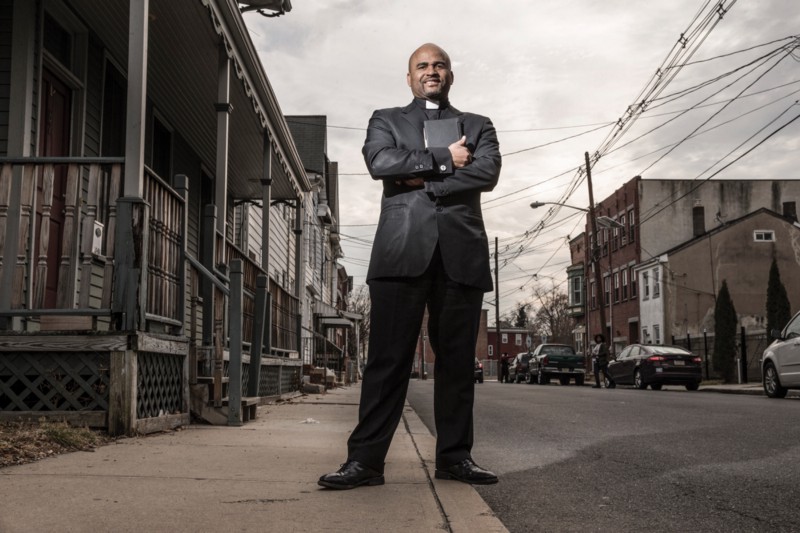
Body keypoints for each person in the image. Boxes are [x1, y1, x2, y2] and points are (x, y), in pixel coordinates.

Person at [318, 43, 501, 490]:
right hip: (401, 250)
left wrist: (417, 175)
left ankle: (455, 458)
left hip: (460, 252)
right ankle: (365, 463)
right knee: (387, 361)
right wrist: (444, 160)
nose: (431, 71)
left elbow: (488, 173)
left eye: (439, 65)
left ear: (450, 75)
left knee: (457, 364)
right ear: (409, 77)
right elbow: (379, 162)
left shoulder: (479, 125)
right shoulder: (386, 119)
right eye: (422, 66)